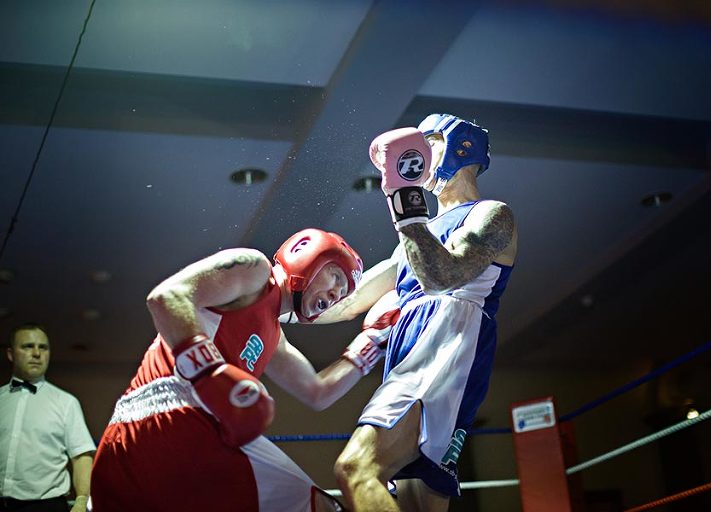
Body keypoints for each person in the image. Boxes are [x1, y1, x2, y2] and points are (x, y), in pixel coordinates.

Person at [89, 228, 400, 512]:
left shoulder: (274, 338)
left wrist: (371, 344)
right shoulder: (254, 271)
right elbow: (166, 297)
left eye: (343, 293)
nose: (336, 294)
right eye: (335, 277)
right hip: (168, 420)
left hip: (156, 448)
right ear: (305, 253)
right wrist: (208, 371)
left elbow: (317, 393)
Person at [317, 115, 518, 511]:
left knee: (356, 468)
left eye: (429, 142)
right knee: (414, 504)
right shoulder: (413, 240)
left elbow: (442, 276)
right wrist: (272, 302)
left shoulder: (492, 214)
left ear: (460, 146)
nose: (419, 153)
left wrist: (403, 200)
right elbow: (346, 303)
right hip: (413, 353)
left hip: (446, 348)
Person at [1, 324, 96, 512]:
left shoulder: (66, 402)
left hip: (46, 506)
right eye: (28, 346)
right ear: (11, 354)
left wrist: (81, 501)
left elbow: (81, 456)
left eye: (43, 347)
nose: (37, 353)